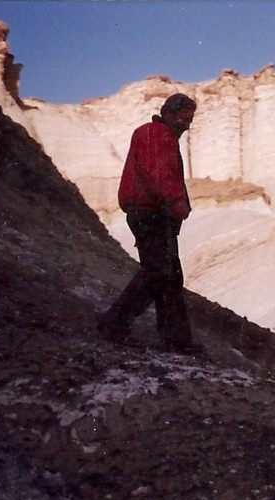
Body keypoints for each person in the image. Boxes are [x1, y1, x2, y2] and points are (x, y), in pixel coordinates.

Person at [97, 93, 204, 355]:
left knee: (168, 274)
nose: (187, 124)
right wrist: (177, 202)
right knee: (158, 271)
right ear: (169, 112)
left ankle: (175, 338)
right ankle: (115, 324)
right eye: (184, 117)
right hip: (151, 212)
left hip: (153, 212)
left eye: (190, 119)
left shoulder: (156, 133)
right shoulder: (157, 134)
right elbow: (158, 173)